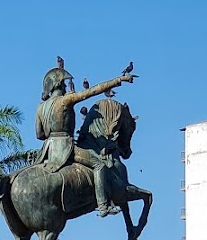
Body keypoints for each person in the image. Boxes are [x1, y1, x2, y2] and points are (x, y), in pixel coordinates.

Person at [34, 57, 135, 216]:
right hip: (66, 148)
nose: (66, 87)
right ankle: (103, 205)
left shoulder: (41, 107)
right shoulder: (66, 100)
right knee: (99, 165)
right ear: (59, 84)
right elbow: (95, 90)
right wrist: (119, 80)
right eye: (64, 83)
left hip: (47, 151)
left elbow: (39, 135)